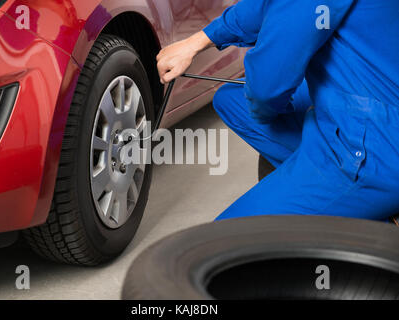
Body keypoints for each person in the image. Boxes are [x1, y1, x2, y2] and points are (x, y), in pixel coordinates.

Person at [156, 0, 399, 221]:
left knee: (217, 247)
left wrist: (270, 109)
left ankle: (357, 199)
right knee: (231, 100)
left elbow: (267, 87)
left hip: (378, 142)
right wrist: (198, 40)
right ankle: (344, 197)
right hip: (370, 94)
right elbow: (268, 5)